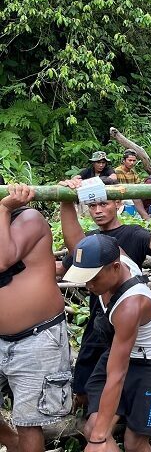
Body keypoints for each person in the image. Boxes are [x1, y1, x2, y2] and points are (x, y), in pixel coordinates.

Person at [57, 179, 151, 411]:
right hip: (99, 321)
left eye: (103, 204)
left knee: (118, 374)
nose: (98, 211)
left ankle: (107, 425)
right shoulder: (92, 241)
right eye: (93, 206)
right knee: (84, 383)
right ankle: (90, 419)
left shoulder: (132, 234)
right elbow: (72, 255)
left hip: (125, 320)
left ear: (117, 203)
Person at [62, 235, 151, 452]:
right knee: (92, 429)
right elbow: (91, 240)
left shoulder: (131, 305)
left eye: (94, 278)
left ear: (116, 267)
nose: (88, 285)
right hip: (124, 350)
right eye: (84, 278)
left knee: (133, 443)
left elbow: (117, 374)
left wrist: (98, 440)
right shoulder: (113, 255)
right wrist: (66, 203)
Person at [0, 184, 72, 452]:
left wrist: (4, 208)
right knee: (20, 430)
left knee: (28, 421)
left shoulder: (29, 219)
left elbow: (2, 259)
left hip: (37, 338)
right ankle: (11, 442)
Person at [114, 150, 150, 220]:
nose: (132, 163)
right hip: (122, 198)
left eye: (134, 161)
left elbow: (138, 185)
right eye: (130, 160)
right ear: (124, 161)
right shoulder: (117, 171)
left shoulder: (133, 172)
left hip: (133, 197)